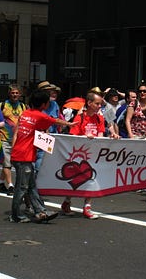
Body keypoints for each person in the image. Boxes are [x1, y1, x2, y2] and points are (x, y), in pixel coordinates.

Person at [10, 88, 77, 223]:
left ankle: (41, 211)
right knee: (22, 187)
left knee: (31, 186)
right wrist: (69, 123)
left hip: (19, 154)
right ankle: (16, 215)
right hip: (25, 156)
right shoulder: (39, 115)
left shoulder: (26, 113)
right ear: (43, 104)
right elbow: (55, 120)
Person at [61, 91, 106, 219]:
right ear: (89, 103)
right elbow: (73, 137)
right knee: (76, 181)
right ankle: (67, 201)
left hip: (94, 154)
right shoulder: (79, 118)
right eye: (97, 104)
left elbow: (101, 135)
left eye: (100, 104)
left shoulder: (100, 118)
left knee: (92, 179)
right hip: (80, 155)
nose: (99, 106)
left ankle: (87, 207)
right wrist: (85, 137)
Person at [0, 84, 27, 195]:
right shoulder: (2, 105)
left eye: (16, 93)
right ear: (9, 93)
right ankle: (10, 185)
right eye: (12, 93)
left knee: (11, 162)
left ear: (20, 94)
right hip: (4, 137)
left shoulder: (23, 107)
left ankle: (0, 182)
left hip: (18, 139)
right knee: (7, 162)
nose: (14, 95)